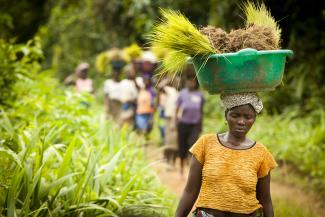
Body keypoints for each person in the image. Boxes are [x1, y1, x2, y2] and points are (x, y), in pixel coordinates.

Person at [175, 93, 278, 217]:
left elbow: (266, 201)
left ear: (254, 119)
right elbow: (190, 192)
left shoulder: (261, 153)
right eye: (235, 115)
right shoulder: (206, 143)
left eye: (248, 117)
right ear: (226, 116)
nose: (241, 122)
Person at [176, 75, 204, 175]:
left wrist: (200, 125)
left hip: (195, 125)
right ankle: (181, 169)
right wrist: (176, 121)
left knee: (192, 145)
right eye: (189, 81)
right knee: (182, 146)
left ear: (196, 83)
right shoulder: (182, 94)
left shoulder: (199, 95)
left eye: (193, 82)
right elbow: (177, 108)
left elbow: (201, 111)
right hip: (183, 124)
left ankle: (190, 169)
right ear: (186, 82)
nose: (191, 83)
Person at [162, 77, 180, 169]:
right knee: (168, 141)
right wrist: (169, 78)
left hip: (177, 120)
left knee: (175, 143)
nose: (178, 83)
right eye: (176, 81)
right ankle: (167, 161)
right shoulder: (170, 91)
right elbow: (160, 87)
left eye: (179, 81)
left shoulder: (181, 94)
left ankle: (172, 163)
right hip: (169, 119)